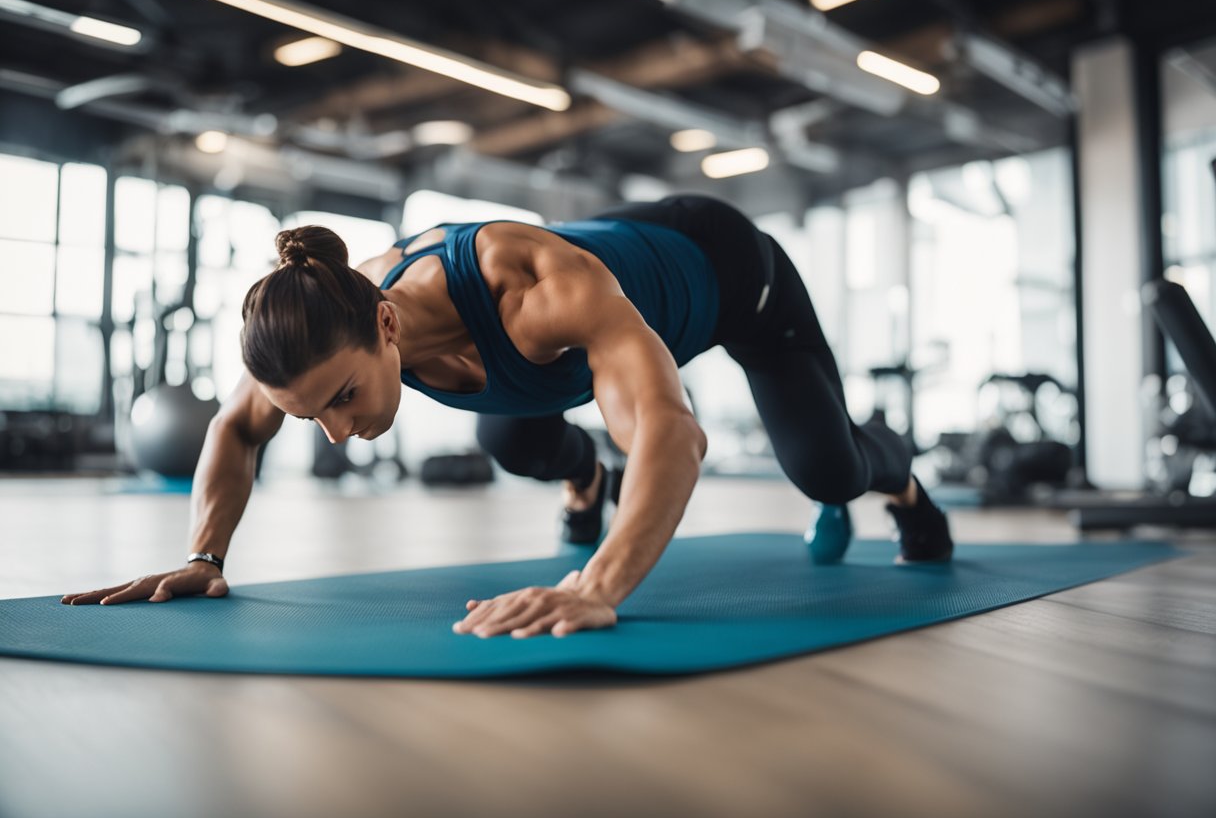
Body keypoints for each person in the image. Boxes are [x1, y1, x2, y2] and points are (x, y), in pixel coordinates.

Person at [61, 194, 953, 638]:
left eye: (343, 399)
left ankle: (902, 482)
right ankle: (583, 477)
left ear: (386, 323)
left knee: (825, 470)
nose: (336, 429)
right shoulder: (326, 319)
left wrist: (593, 588)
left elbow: (676, 434)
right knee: (508, 437)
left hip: (731, 278)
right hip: (618, 271)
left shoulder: (529, 291)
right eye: (316, 418)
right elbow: (235, 429)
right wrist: (202, 555)